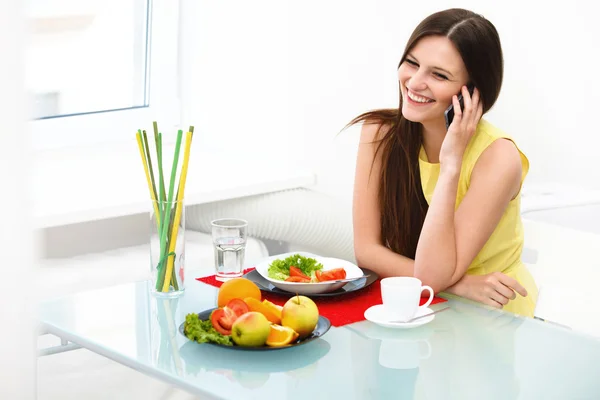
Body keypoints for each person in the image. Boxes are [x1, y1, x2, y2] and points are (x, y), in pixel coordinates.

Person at [349, 8, 538, 317]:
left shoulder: (498, 157)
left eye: (439, 75)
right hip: (426, 302)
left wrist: (450, 165)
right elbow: (367, 252)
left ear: (472, 93)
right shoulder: (379, 133)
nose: (415, 82)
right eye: (412, 63)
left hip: (493, 313)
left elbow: (429, 277)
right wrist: (460, 285)